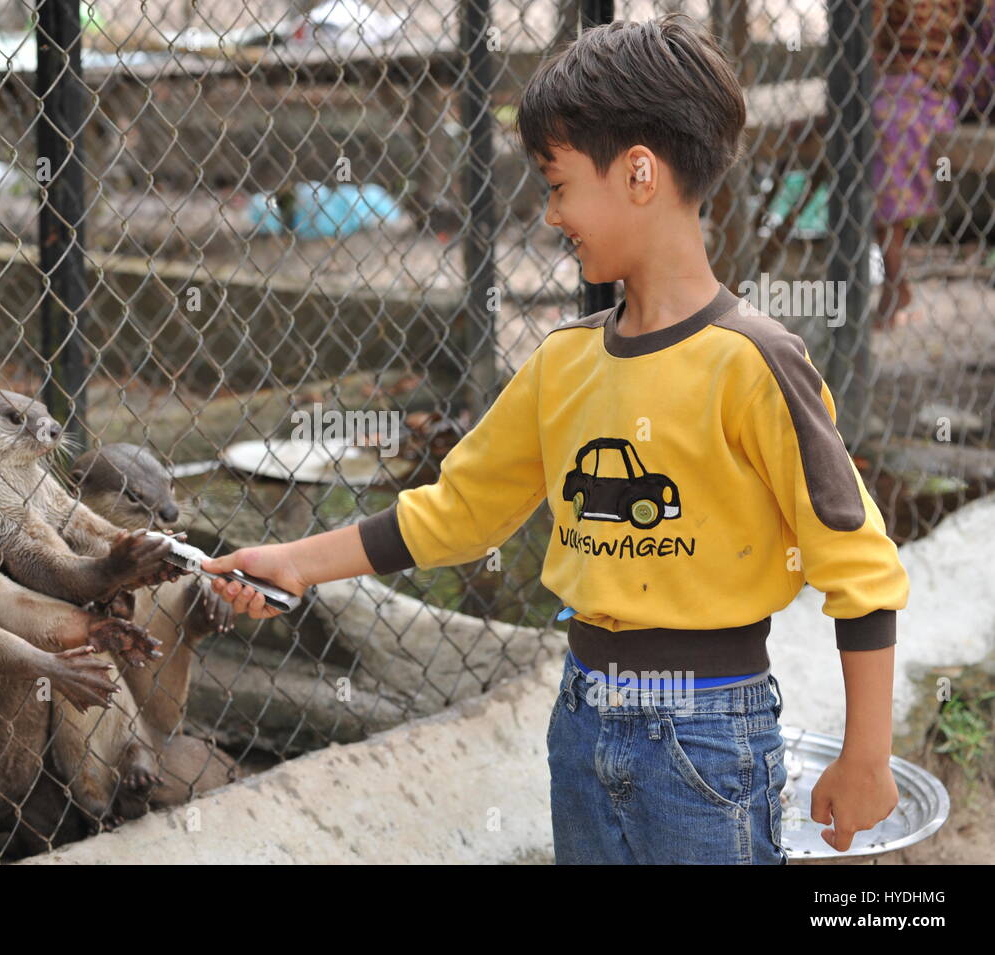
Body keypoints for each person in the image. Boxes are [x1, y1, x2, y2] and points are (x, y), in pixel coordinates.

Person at [203, 14, 909, 865]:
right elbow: (461, 513)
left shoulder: (754, 362)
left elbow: (859, 568)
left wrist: (866, 756)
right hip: (580, 719)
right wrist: (295, 561)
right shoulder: (563, 362)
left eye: (559, 184)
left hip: (707, 730)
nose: (549, 214)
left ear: (640, 173)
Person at [870, 0, 969, 330]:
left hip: (935, 90)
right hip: (891, 84)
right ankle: (895, 278)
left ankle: (895, 279)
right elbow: (868, 41)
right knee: (877, 125)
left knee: (886, 127)